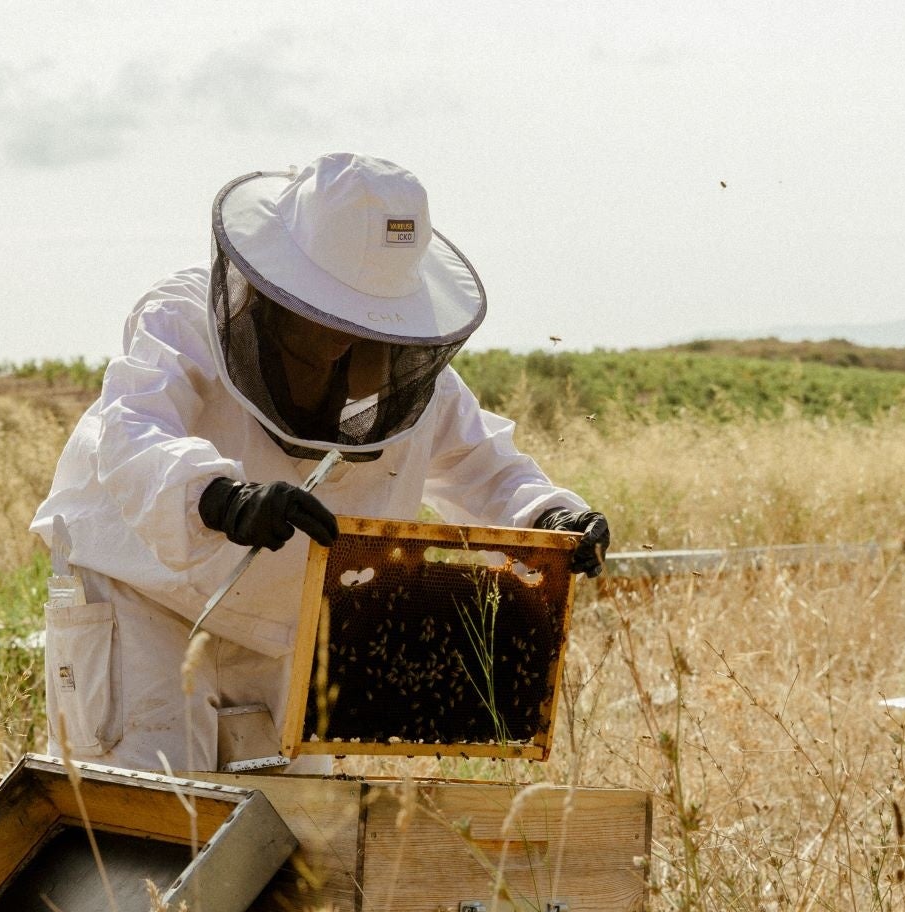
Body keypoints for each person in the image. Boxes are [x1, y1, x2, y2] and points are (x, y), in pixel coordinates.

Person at [30, 152, 609, 774]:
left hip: (290, 623)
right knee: (149, 816)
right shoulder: (184, 318)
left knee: (304, 839)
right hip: (143, 599)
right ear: (274, 287)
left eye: (365, 325)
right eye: (325, 317)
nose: (342, 343)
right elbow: (134, 426)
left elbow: (481, 462)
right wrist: (220, 496)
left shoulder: (413, 378)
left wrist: (552, 516)